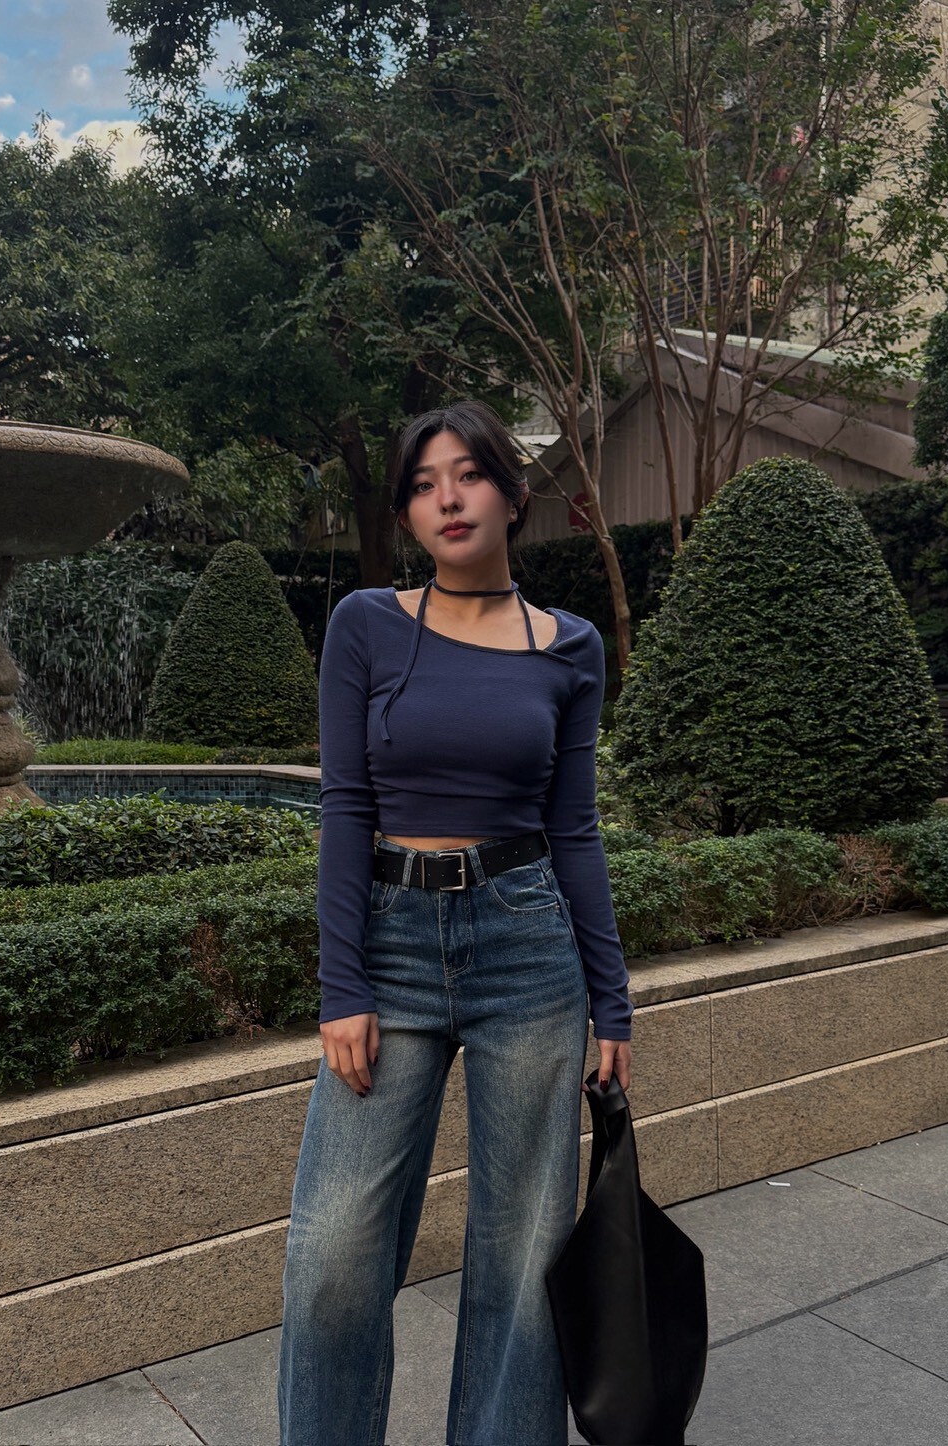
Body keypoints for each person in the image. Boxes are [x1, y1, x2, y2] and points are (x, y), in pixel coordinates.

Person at [277, 399, 633, 1446]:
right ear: (406, 513)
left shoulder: (570, 648)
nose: (448, 497)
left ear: (512, 495)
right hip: (390, 947)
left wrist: (612, 1001)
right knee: (334, 1253)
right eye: (424, 483)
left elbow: (576, 830)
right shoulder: (367, 625)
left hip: (528, 949)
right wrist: (342, 986)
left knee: (523, 1256)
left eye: (469, 474)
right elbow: (345, 806)